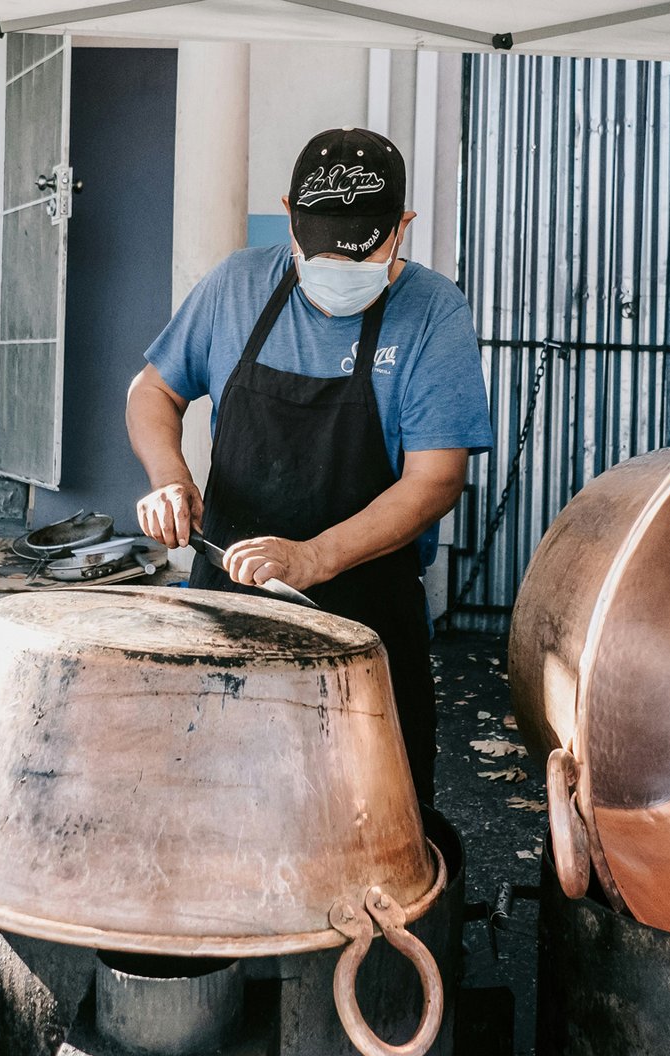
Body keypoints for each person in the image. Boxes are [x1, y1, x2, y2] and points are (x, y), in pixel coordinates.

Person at [126, 127, 493, 804]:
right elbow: (152, 391)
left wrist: (314, 559)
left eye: (363, 253)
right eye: (318, 247)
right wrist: (169, 476)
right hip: (227, 609)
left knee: (370, 820)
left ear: (401, 229)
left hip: (367, 620)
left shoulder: (433, 312)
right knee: (212, 808)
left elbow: (436, 478)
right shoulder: (237, 285)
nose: (337, 268)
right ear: (290, 214)